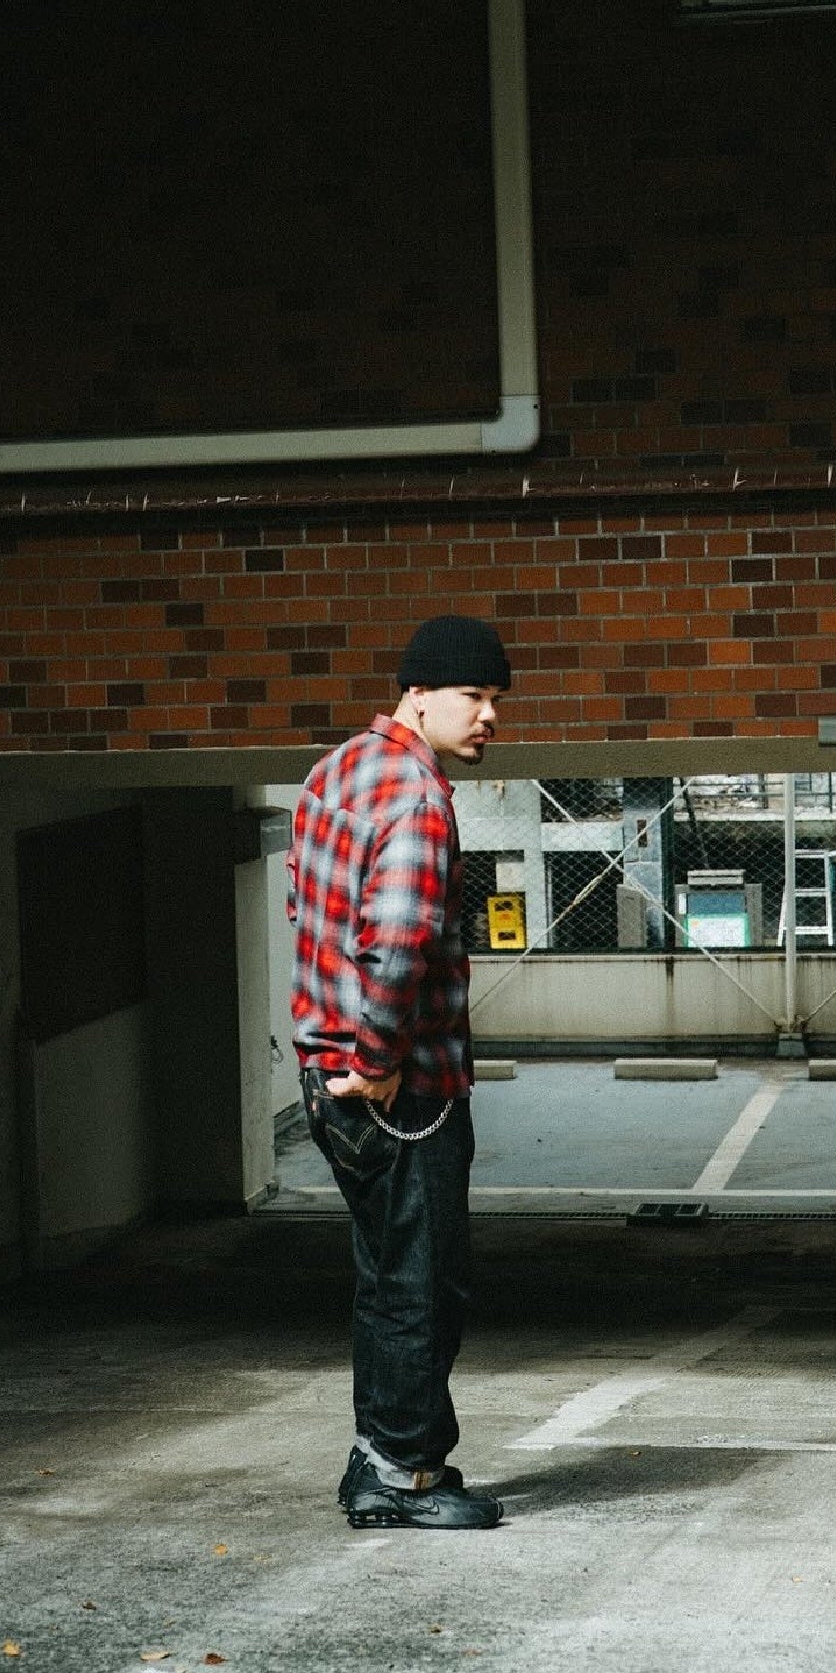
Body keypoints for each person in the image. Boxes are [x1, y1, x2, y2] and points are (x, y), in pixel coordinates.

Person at [286, 613, 511, 1529]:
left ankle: (390, 1453)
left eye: (497, 698)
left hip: (327, 1075)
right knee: (421, 1282)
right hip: (394, 1088)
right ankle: (400, 1473)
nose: (490, 714)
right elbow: (400, 938)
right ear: (418, 693)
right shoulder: (418, 794)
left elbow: (309, 911)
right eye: (474, 695)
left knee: (393, 1274)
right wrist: (378, 1059)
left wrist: (338, 1055)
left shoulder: (333, 770)